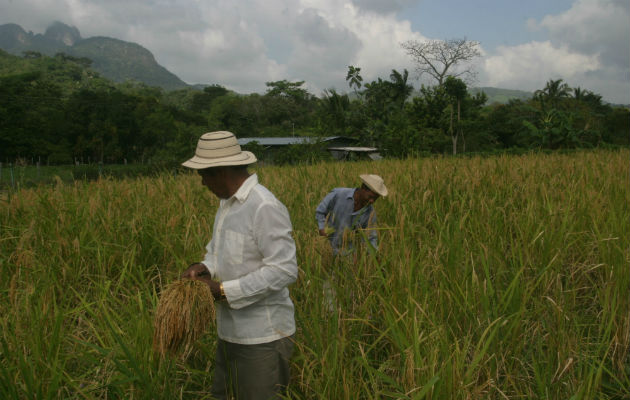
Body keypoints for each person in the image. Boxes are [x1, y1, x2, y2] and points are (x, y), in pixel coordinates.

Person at [180, 131, 298, 400]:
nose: (202, 183)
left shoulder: (263, 206)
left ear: (220, 171)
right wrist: (203, 267)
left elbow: (284, 269)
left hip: (262, 337)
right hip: (230, 332)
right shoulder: (227, 205)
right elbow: (217, 251)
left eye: (204, 175)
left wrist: (221, 290)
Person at [315, 174, 388, 256]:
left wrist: (373, 255)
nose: (372, 201)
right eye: (370, 196)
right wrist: (321, 228)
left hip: (348, 254)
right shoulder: (339, 194)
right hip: (327, 247)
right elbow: (320, 211)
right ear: (363, 188)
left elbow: (370, 237)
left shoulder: (370, 213)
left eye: (375, 199)